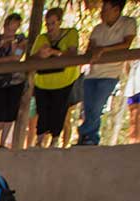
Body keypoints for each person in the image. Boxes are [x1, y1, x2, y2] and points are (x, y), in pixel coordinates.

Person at [78, 0, 137, 146]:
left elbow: (126, 44)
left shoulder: (128, 23)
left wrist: (103, 49)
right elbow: (90, 47)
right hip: (92, 73)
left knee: (97, 106)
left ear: (116, 10)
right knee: (89, 107)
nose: (101, 12)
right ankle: (87, 137)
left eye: (105, 9)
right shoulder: (98, 28)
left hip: (110, 73)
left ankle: (88, 136)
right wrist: (95, 51)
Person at [31, 7, 80, 148]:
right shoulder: (42, 38)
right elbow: (31, 57)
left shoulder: (71, 33)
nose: (50, 27)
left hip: (64, 81)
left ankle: (55, 140)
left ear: (59, 22)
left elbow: (72, 53)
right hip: (43, 82)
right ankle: (39, 140)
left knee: (59, 110)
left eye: (53, 23)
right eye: (48, 24)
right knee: (42, 111)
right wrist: (40, 55)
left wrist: (54, 52)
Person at [0, 13, 28, 148]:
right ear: (5, 26)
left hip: (14, 81)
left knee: (10, 113)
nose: (11, 33)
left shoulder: (21, 39)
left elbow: (18, 56)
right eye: (9, 29)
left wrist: (11, 52)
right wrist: (8, 57)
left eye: (14, 29)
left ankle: (2, 143)